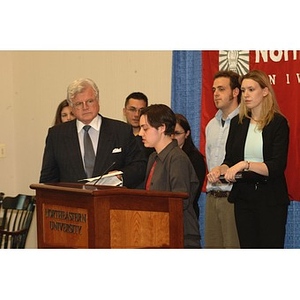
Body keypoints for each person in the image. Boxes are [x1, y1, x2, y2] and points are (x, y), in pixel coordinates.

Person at [207, 69, 290, 248]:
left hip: (270, 199)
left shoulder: (278, 123)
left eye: (251, 90)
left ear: (265, 91)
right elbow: (230, 160)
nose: (246, 95)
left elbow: (275, 166)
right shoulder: (239, 123)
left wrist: (245, 165)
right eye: (243, 91)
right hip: (243, 198)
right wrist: (218, 170)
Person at [40, 78, 147, 188]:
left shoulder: (121, 130)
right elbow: (48, 179)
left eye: (90, 101)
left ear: (98, 101)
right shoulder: (57, 135)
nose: (85, 107)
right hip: (71, 202)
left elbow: (139, 166)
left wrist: (121, 176)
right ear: (71, 107)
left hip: (111, 200)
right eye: (79, 104)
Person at [139, 104, 201, 248]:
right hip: (157, 231)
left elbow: (180, 201)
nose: (141, 133)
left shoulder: (177, 158)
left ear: (162, 128)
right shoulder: (153, 157)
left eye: (145, 128)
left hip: (179, 234)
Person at [205, 70, 241, 249]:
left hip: (233, 196)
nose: (216, 94)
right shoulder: (211, 125)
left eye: (221, 89)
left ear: (235, 92)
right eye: (213, 90)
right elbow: (210, 161)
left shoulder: (245, 122)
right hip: (212, 196)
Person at [174, 113, 206, 219]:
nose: (173, 138)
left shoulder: (195, 158)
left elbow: (193, 193)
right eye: (170, 133)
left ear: (187, 133)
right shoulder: (165, 156)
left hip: (187, 213)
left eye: (177, 133)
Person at [123, 92, 154, 159]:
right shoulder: (118, 136)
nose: (137, 114)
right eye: (132, 109)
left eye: (141, 110)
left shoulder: (151, 138)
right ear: (124, 111)